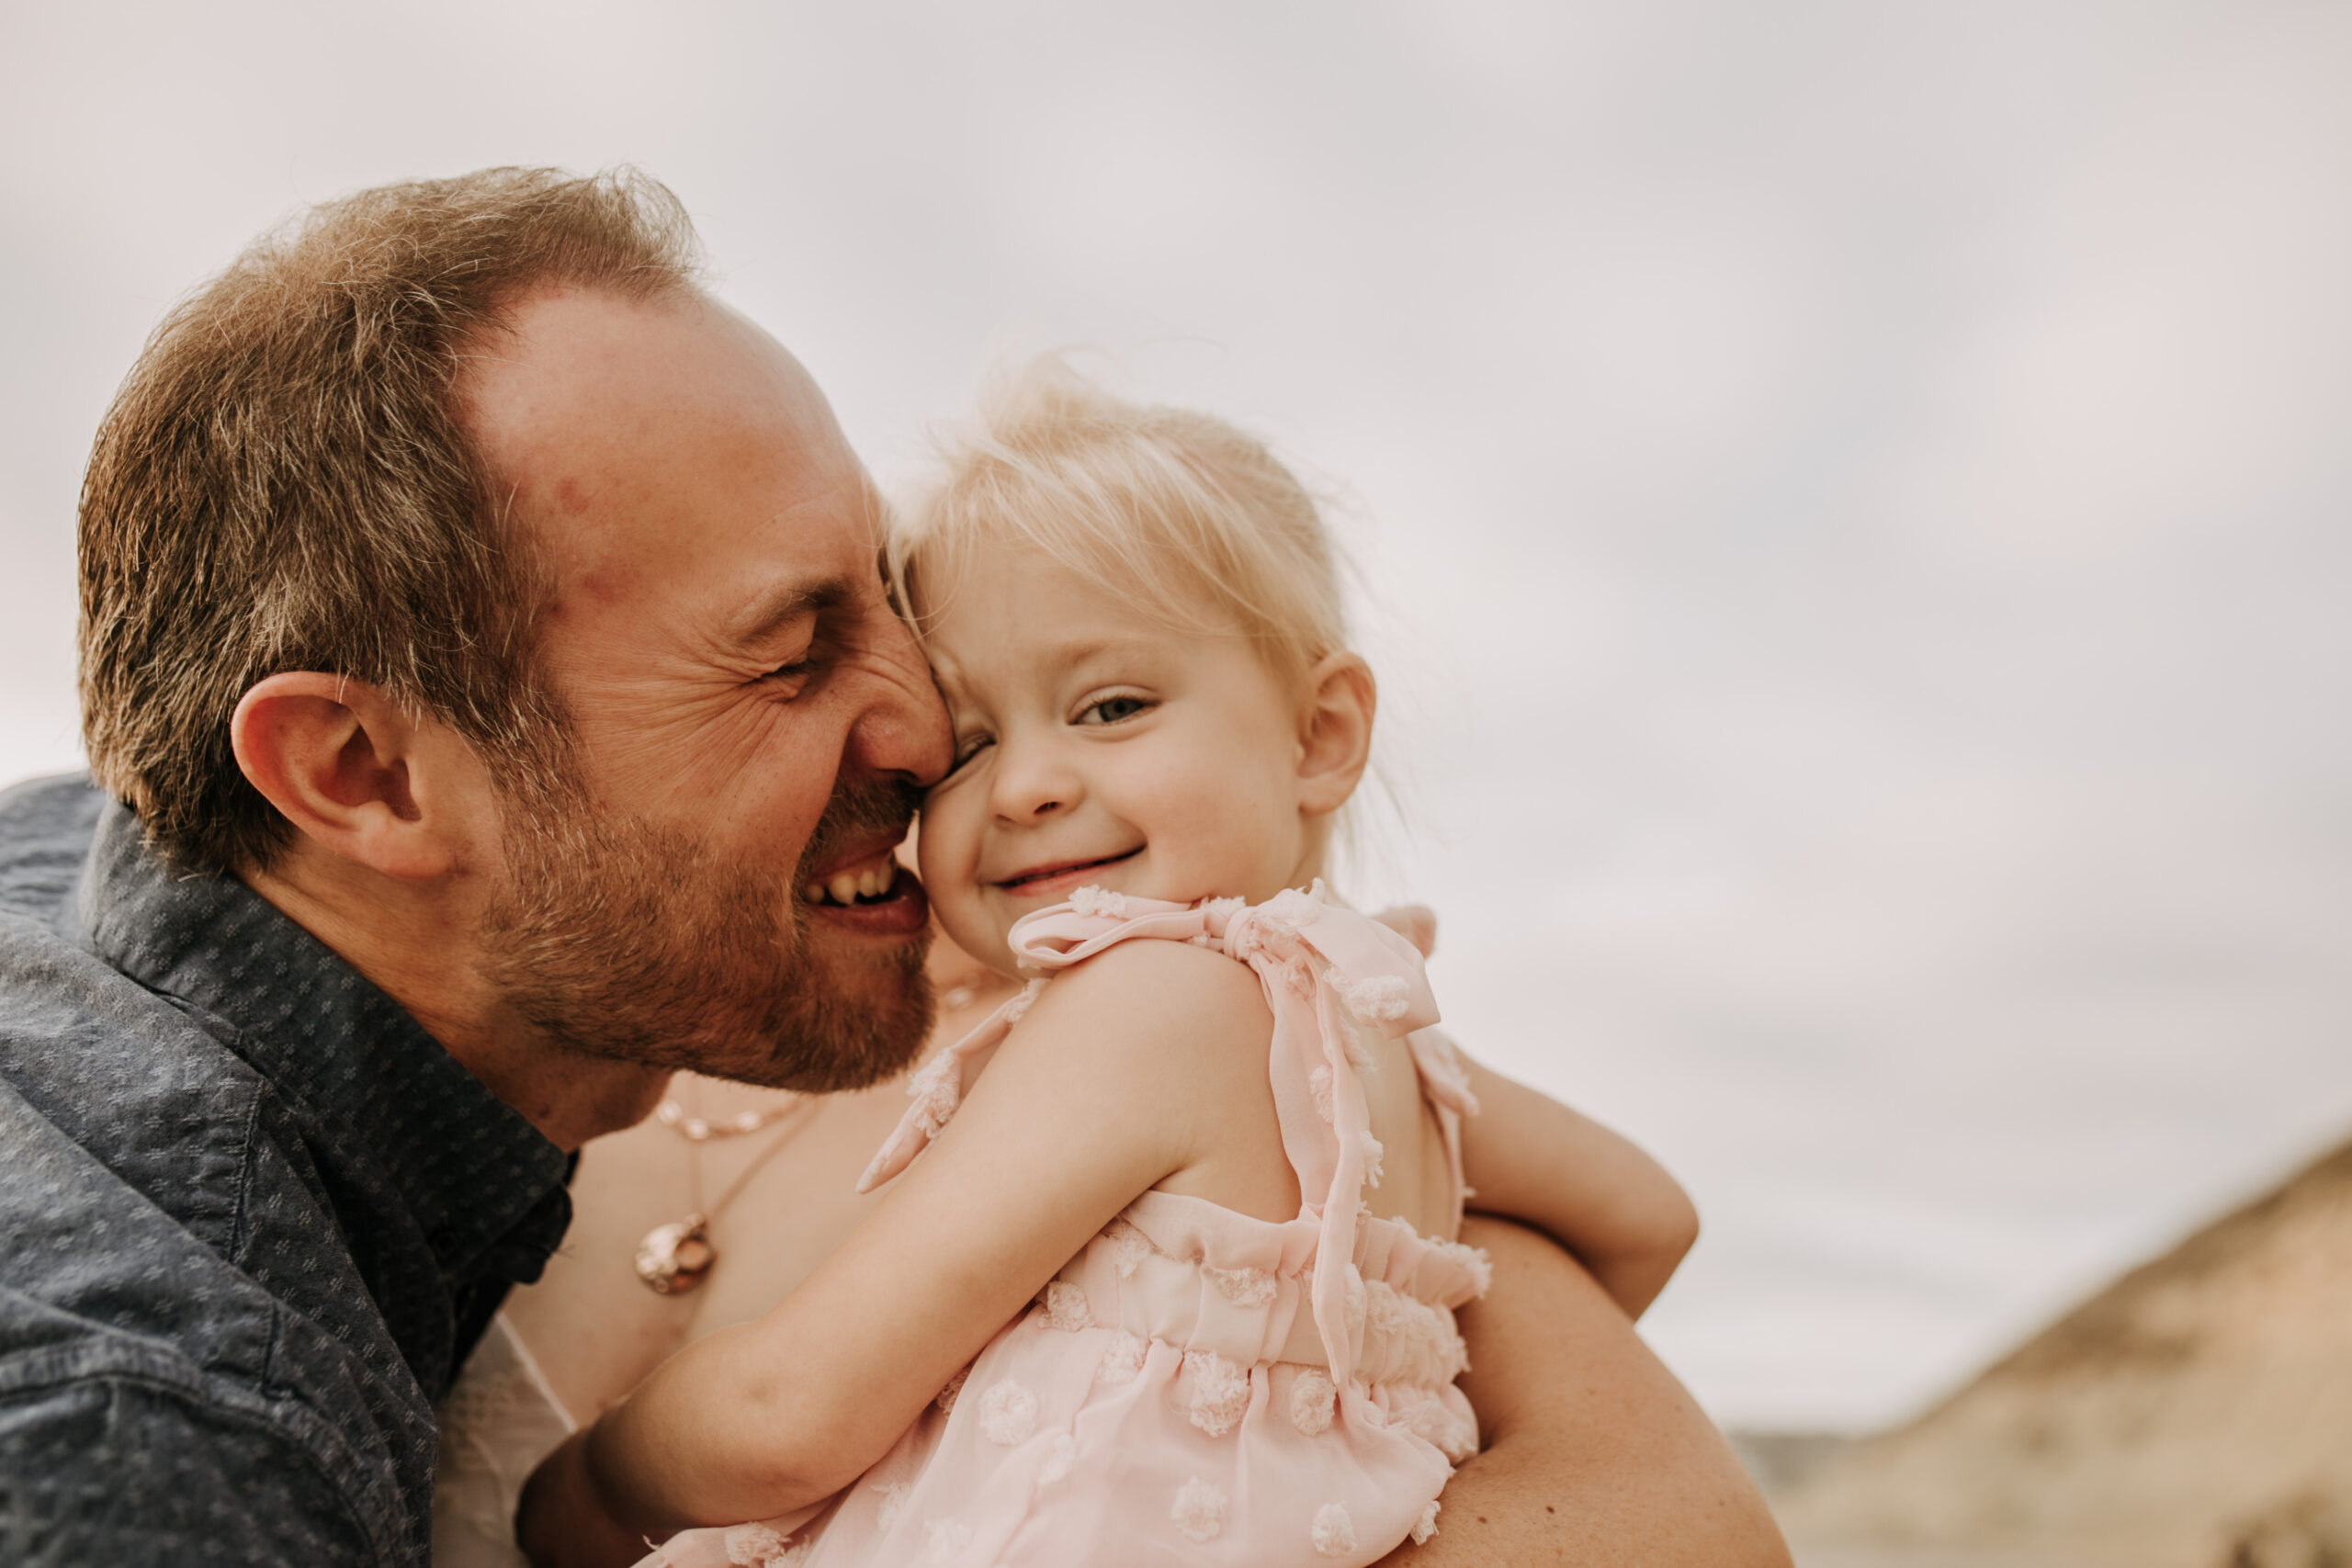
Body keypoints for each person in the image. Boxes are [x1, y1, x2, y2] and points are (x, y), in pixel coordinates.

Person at [0, 164, 1787, 1567]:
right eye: (793, 644)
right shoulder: (139, 1411)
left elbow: (1684, 1515)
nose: (934, 736)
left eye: (892, 609)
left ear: (1322, 728)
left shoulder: (823, 970)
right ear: (365, 774)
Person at [513, 367, 1757, 1566]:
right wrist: (1381, 1358)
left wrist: (594, 1485)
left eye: (1110, 708)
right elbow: (1650, 1219)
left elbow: (787, 1413)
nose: (1028, 785)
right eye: (972, 741)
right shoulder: (1396, 1045)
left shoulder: (1141, 1005)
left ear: (1321, 737)